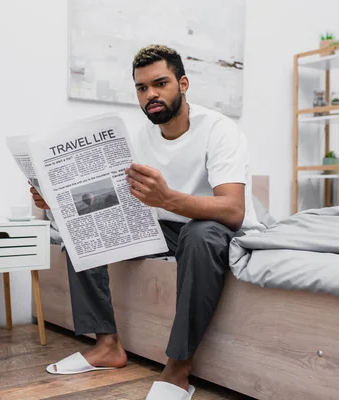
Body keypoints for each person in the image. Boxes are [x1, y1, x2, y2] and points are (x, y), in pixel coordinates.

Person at [30, 44, 261, 399]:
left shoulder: (219, 129)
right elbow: (112, 198)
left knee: (198, 236)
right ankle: (107, 344)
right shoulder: (140, 138)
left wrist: (167, 199)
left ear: (183, 84)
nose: (150, 94)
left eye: (160, 83)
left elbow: (233, 210)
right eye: (141, 88)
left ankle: (179, 367)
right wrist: (57, 203)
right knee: (86, 224)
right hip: (165, 227)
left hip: (214, 227)